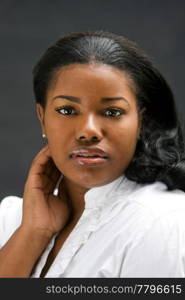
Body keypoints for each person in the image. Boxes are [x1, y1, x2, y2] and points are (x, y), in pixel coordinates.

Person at [1, 31, 185, 278]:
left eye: (112, 112)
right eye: (67, 110)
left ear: (141, 121)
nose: (88, 131)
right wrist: (33, 232)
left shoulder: (160, 220)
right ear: (42, 118)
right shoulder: (12, 218)